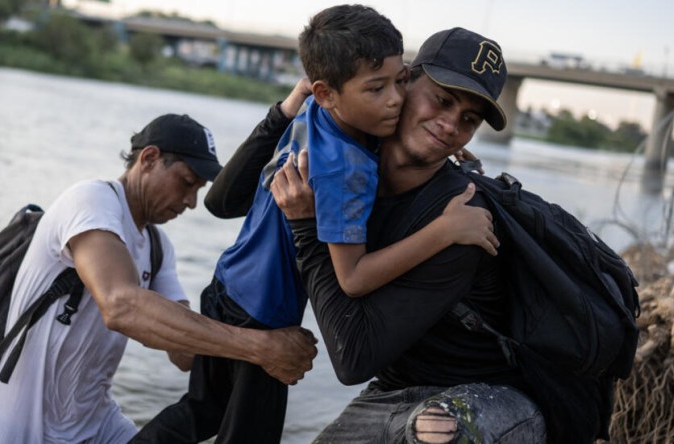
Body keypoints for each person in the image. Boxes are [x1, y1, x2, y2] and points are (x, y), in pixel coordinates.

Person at [132, 6, 497, 444]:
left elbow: (226, 199)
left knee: (200, 411)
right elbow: (354, 278)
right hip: (264, 313)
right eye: (378, 88)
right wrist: (445, 230)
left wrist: (437, 142)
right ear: (326, 91)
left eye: (399, 81)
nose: (394, 100)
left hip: (227, 285)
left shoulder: (316, 112)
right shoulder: (348, 169)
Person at [270, 28, 550, 443]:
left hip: (489, 399)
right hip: (393, 392)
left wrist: (306, 227)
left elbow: (352, 355)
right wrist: (285, 112)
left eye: (468, 120)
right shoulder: (351, 163)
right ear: (404, 81)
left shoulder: (463, 218)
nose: (450, 125)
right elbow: (225, 201)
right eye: (442, 100)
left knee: (438, 430)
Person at [0, 114, 318, 444]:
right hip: (21, 424)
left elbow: (183, 352)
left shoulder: (157, 247)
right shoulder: (91, 201)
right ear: (149, 159)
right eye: (186, 183)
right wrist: (260, 347)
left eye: (199, 189)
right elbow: (120, 306)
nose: (191, 202)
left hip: (97, 425)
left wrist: (257, 340)